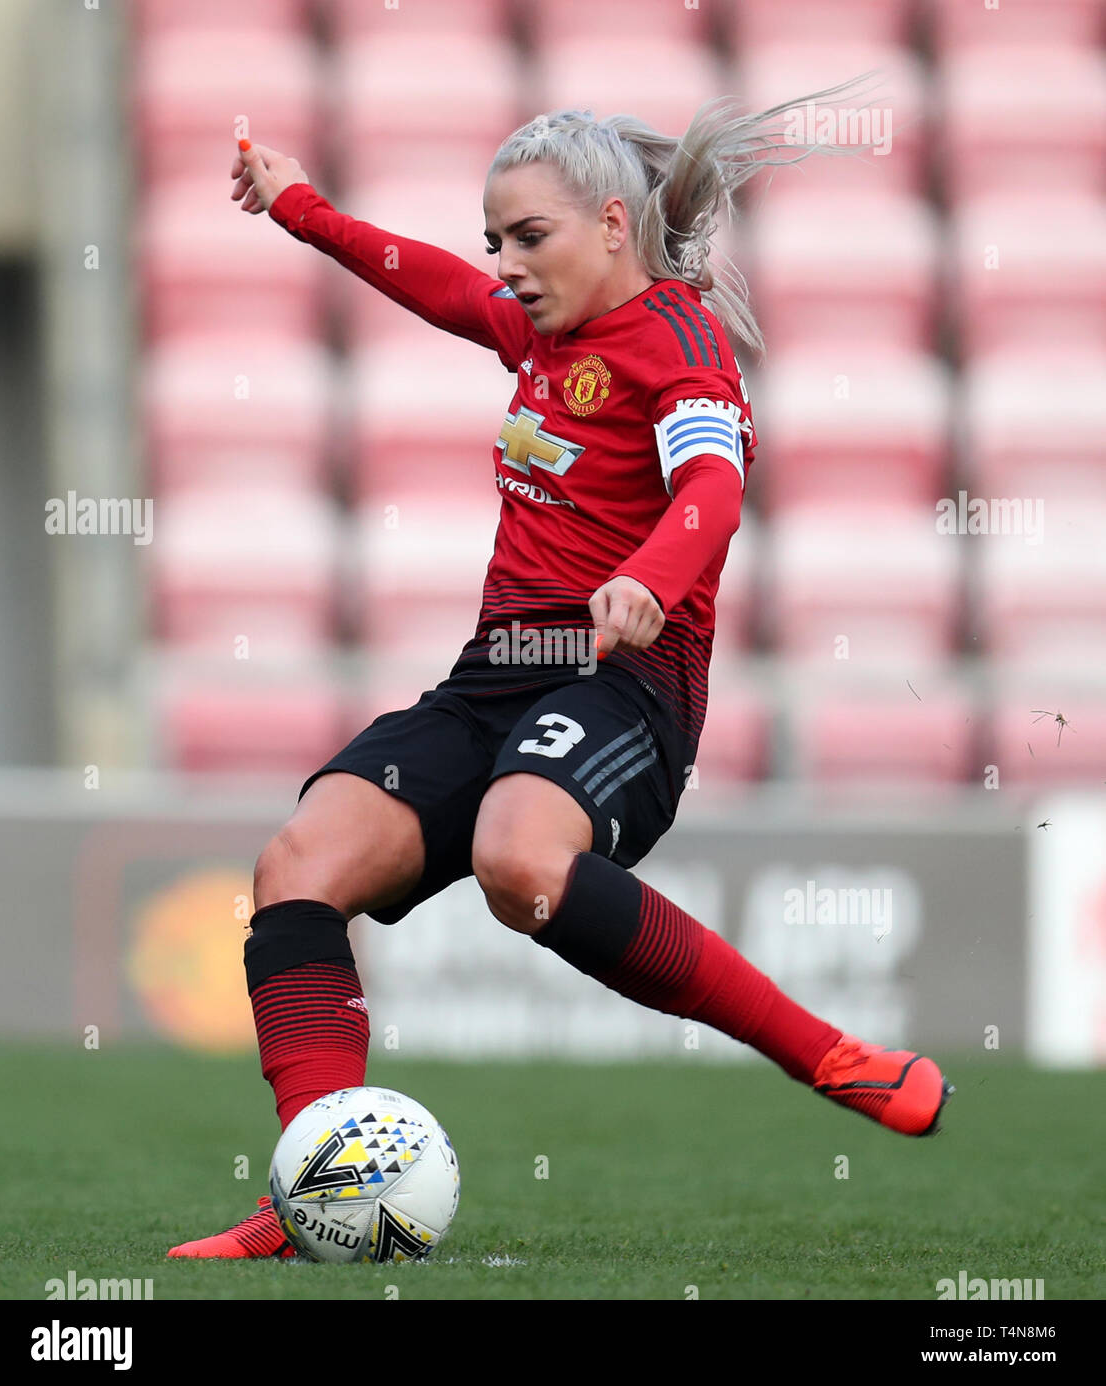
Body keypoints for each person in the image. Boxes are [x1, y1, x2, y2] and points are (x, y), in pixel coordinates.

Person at [169, 93, 951, 1259]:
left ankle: (833, 1056)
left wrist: (650, 575)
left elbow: (714, 492)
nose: (506, 264)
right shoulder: (542, 329)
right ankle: (317, 1184)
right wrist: (298, 207)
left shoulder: (681, 343)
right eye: (498, 240)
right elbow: (433, 281)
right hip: (495, 675)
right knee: (297, 866)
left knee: (520, 859)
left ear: (610, 227)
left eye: (528, 237)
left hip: (622, 683)